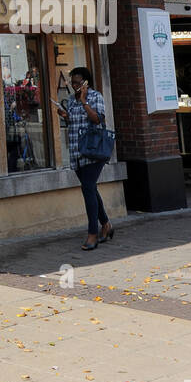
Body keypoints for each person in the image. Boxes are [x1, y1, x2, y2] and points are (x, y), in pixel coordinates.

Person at [56, 66, 114, 250]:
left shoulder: (95, 96)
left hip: (93, 151)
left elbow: (97, 119)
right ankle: (105, 224)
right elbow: (74, 122)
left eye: (78, 83)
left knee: (87, 189)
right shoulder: (72, 101)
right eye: (72, 82)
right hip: (76, 151)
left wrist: (84, 102)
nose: (74, 86)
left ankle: (92, 233)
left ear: (86, 82)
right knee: (91, 189)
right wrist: (65, 115)